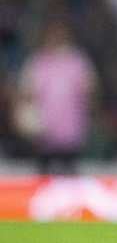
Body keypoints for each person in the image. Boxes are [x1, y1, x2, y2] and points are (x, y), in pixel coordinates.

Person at [17, 17, 98, 175]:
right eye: (52, 34)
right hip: (44, 134)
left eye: (59, 33)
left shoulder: (77, 62)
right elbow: (25, 94)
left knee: (69, 180)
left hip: (71, 134)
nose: (56, 37)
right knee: (44, 180)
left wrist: (90, 111)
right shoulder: (38, 62)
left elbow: (90, 91)